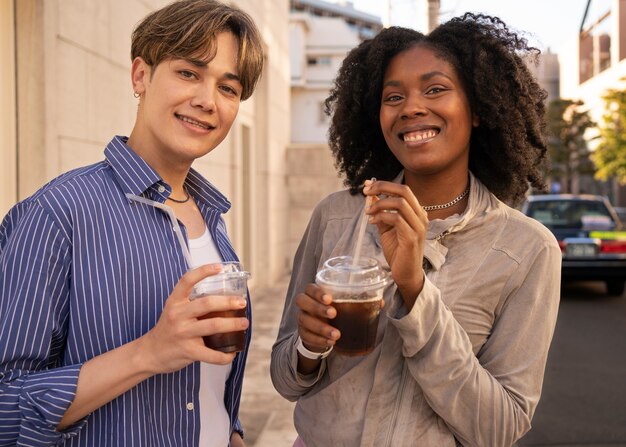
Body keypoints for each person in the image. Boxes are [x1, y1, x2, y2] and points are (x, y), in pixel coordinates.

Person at [270, 13, 561, 447]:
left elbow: (500, 428)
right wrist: (308, 349)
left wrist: (413, 287)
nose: (411, 107)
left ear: (478, 108)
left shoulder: (527, 249)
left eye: (435, 89)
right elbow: (286, 380)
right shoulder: (334, 217)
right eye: (393, 96)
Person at [0, 0, 263, 445]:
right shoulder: (58, 213)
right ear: (141, 75)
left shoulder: (212, 219)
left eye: (228, 88)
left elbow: (207, 388)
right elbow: (6, 410)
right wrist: (149, 352)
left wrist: (229, 431)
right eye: (188, 73)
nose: (206, 100)